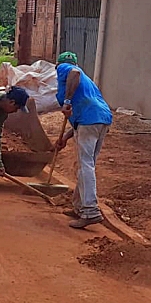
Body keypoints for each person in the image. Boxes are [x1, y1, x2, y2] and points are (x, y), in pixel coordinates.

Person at [54, 51, 113, 229]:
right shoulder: (88, 84)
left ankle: (90, 211)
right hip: (100, 119)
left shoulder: (67, 69)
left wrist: (66, 101)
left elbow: (74, 73)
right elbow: (81, 121)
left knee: (85, 165)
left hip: (90, 119)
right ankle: (80, 207)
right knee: (86, 165)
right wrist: (65, 137)